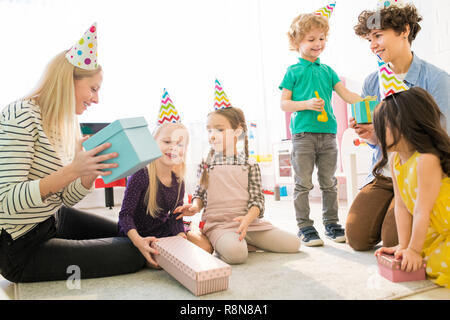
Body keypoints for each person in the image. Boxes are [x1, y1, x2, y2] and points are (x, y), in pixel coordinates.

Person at [0, 23, 147, 283]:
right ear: (68, 81)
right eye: (93, 88)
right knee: (134, 253)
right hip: (20, 246)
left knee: (131, 232)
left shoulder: (67, 124)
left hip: (53, 218)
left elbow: (66, 198)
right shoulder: (20, 115)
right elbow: (5, 204)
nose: (96, 99)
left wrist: (89, 174)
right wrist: (73, 170)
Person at [346, 3, 450, 251]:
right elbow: (377, 141)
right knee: (357, 238)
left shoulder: (436, 80)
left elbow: (442, 138)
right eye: (369, 39)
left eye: (378, 35)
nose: (373, 45)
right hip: (386, 171)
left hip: (421, 172)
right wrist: (371, 134)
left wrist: (389, 135)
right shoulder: (372, 81)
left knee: (395, 239)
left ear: (404, 30)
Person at [175, 80, 300, 264]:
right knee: (237, 256)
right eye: (209, 130)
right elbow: (199, 195)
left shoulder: (249, 164)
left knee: (294, 244)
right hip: (220, 225)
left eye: (219, 129)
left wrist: (248, 219)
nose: (212, 135)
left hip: (250, 224)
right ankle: (230, 242)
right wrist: (194, 207)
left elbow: (257, 199)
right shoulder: (206, 163)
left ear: (237, 132)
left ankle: (248, 242)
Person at [279, 10, 362, 246]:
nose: (318, 44)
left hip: (327, 135)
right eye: (311, 39)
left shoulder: (328, 71)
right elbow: (284, 103)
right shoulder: (293, 72)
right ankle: (305, 227)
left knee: (329, 182)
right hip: (303, 135)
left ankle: (332, 224)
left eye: (322, 38)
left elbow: (346, 94)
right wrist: (305, 104)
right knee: (303, 183)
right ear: (296, 42)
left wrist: (367, 101)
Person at [118, 90, 212, 268]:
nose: (173, 148)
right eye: (167, 142)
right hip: (138, 232)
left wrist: (180, 237)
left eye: (179, 144)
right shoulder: (141, 174)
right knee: (157, 263)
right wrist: (138, 240)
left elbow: (174, 217)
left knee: (205, 247)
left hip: (163, 230)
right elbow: (125, 215)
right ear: (154, 142)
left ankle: (187, 232)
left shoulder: (178, 180)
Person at [372, 87, 450, 288]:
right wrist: (404, 246)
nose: (377, 133)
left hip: (445, 229)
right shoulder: (396, 159)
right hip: (436, 231)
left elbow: (421, 210)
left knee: (434, 266)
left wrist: (414, 250)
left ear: (402, 125)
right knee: (413, 261)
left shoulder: (426, 159)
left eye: (382, 126)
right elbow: (402, 206)